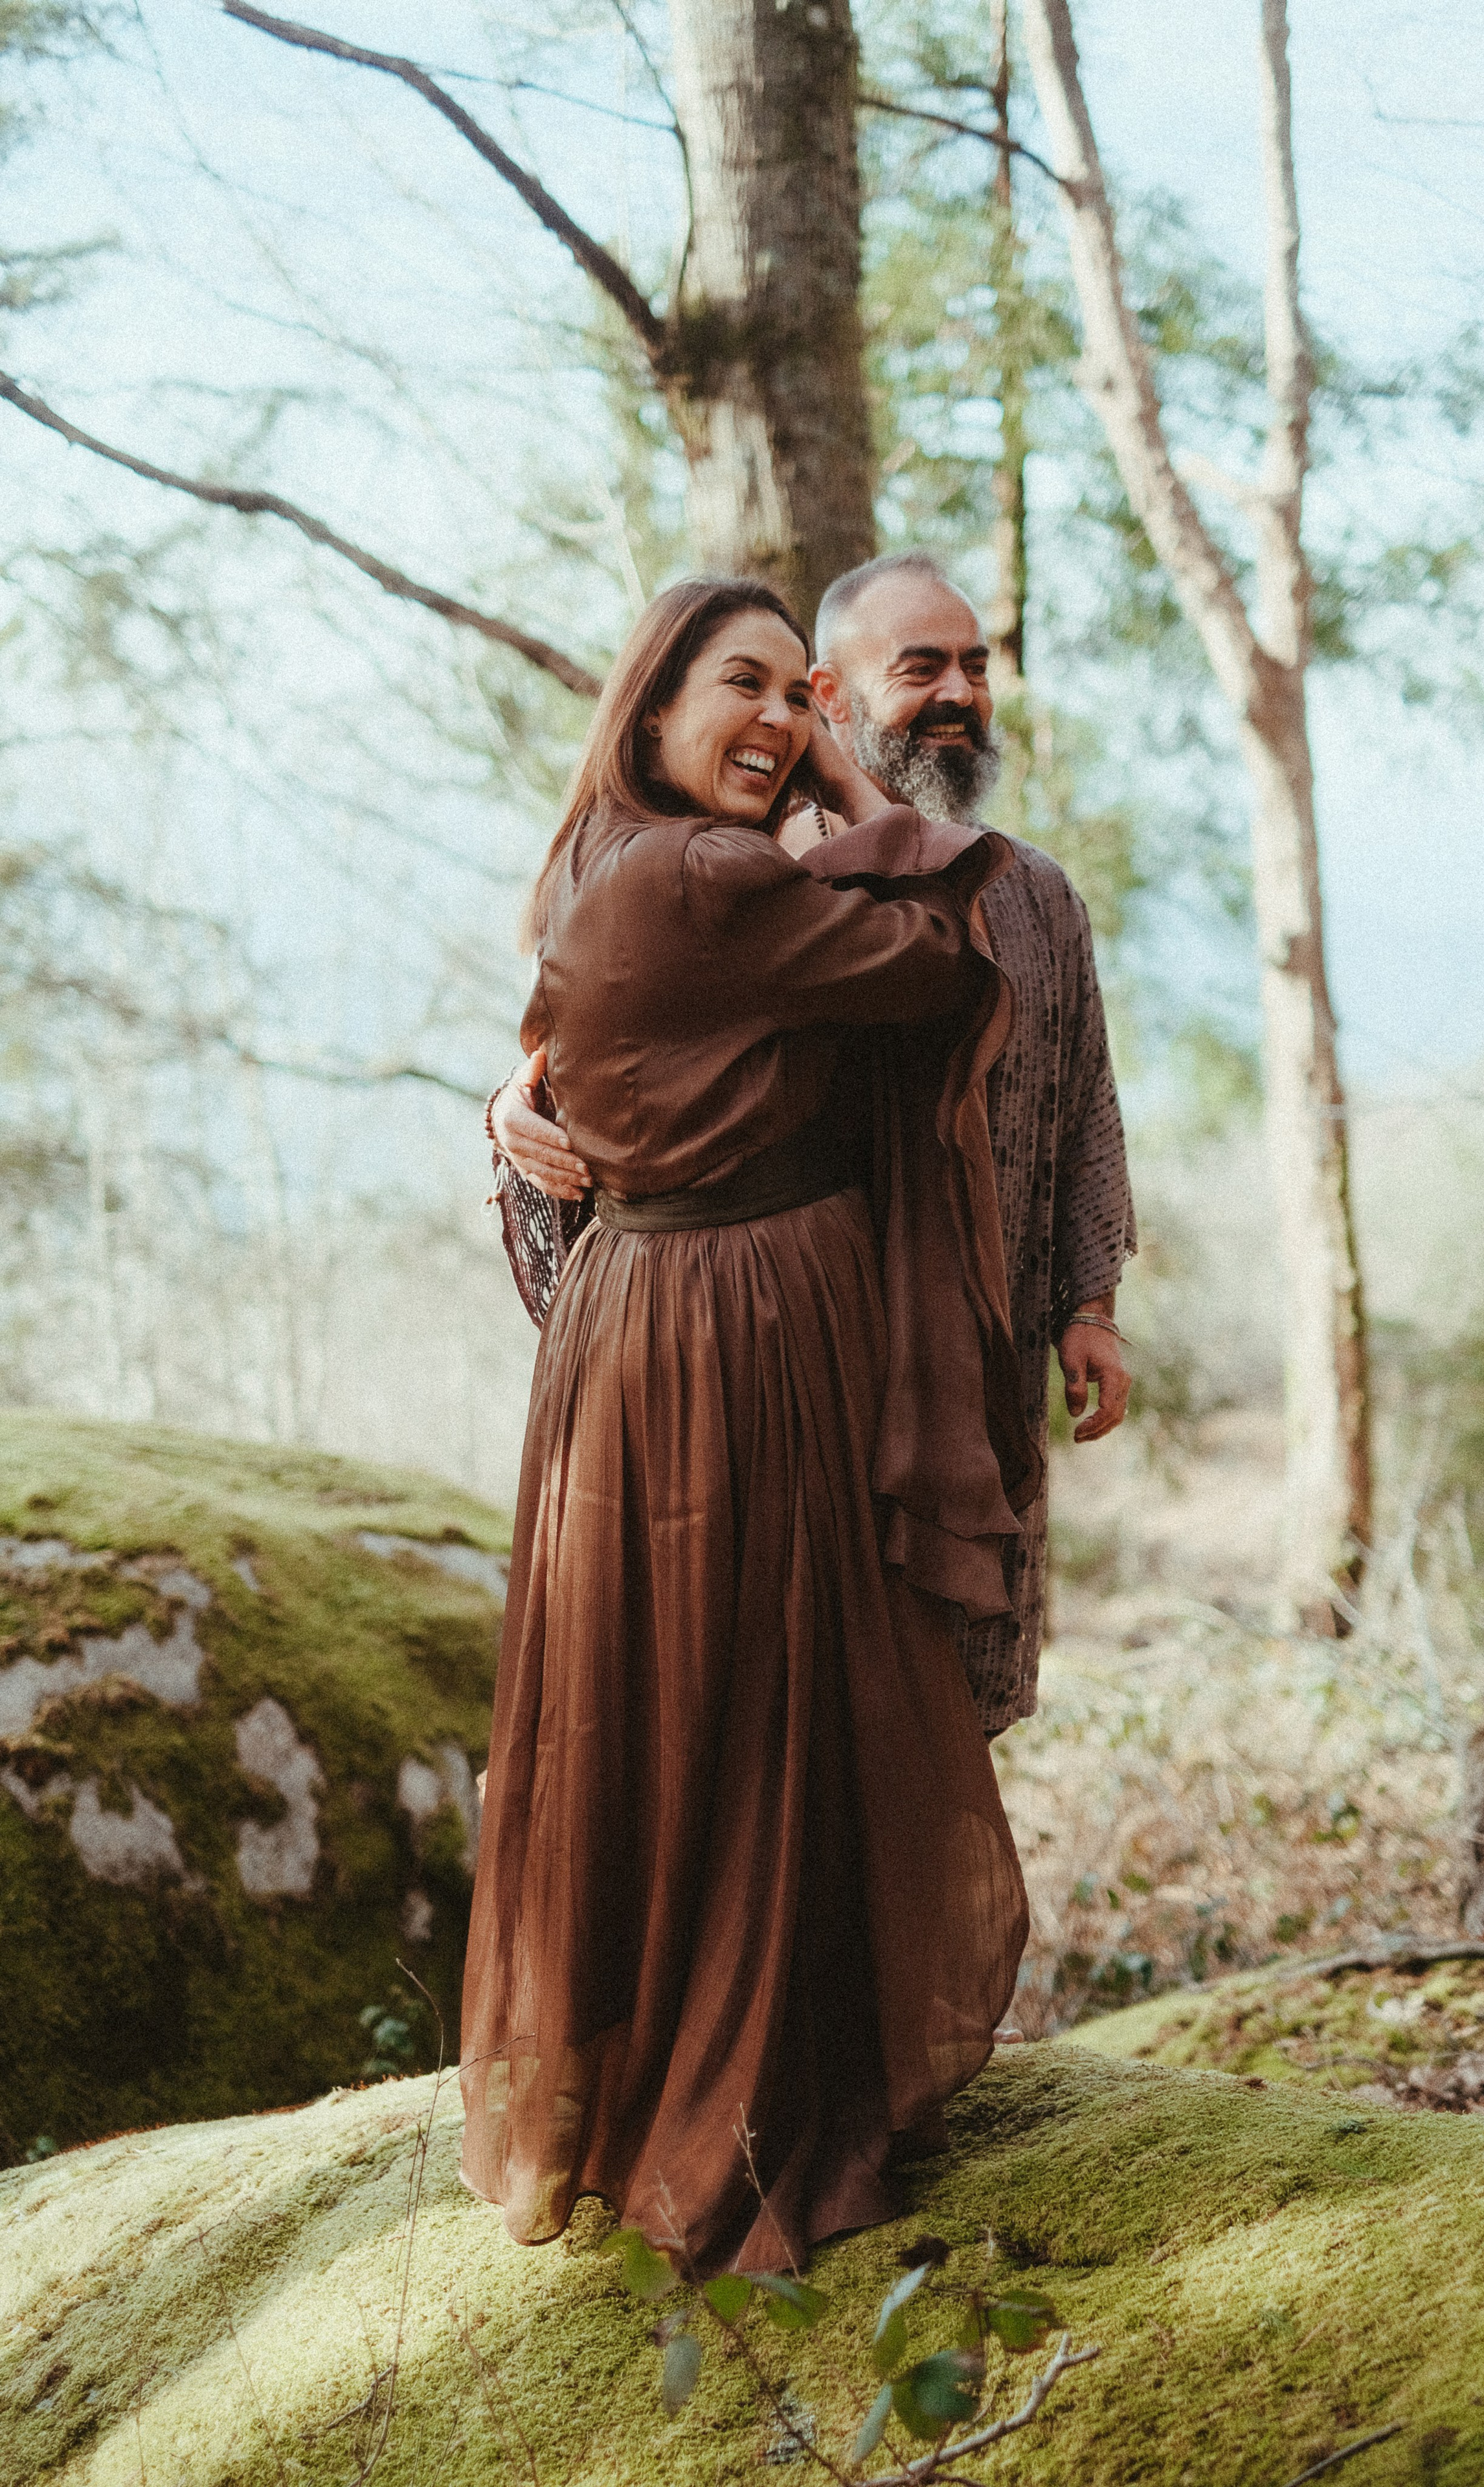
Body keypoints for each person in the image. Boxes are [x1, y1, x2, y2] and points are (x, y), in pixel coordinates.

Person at [461, 577, 1033, 2276]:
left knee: (663, 1695)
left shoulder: (594, 859)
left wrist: (515, 1107)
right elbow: (938, 956)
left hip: (634, 1324)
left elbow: (578, 1065)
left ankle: (650, 2087)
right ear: (649, 709)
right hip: (741, 1330)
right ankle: (763, 2100)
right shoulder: (714, 872)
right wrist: (856, 794)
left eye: (803, 695)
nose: (783, 723)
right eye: (744, 689)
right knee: (773, 1694)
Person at [493, 551, 1135, 1738]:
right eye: (920, 668)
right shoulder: (759, 864)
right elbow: (609, 1044)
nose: (959, 693)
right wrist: (511, 1106)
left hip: (973, 1337)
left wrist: (1089, 1302)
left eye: (977, 668)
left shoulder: (1035, 894)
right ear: (836, 703)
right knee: (809, 1702)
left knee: (931, 1704)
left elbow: (1085, 1096)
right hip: (806, 1343)